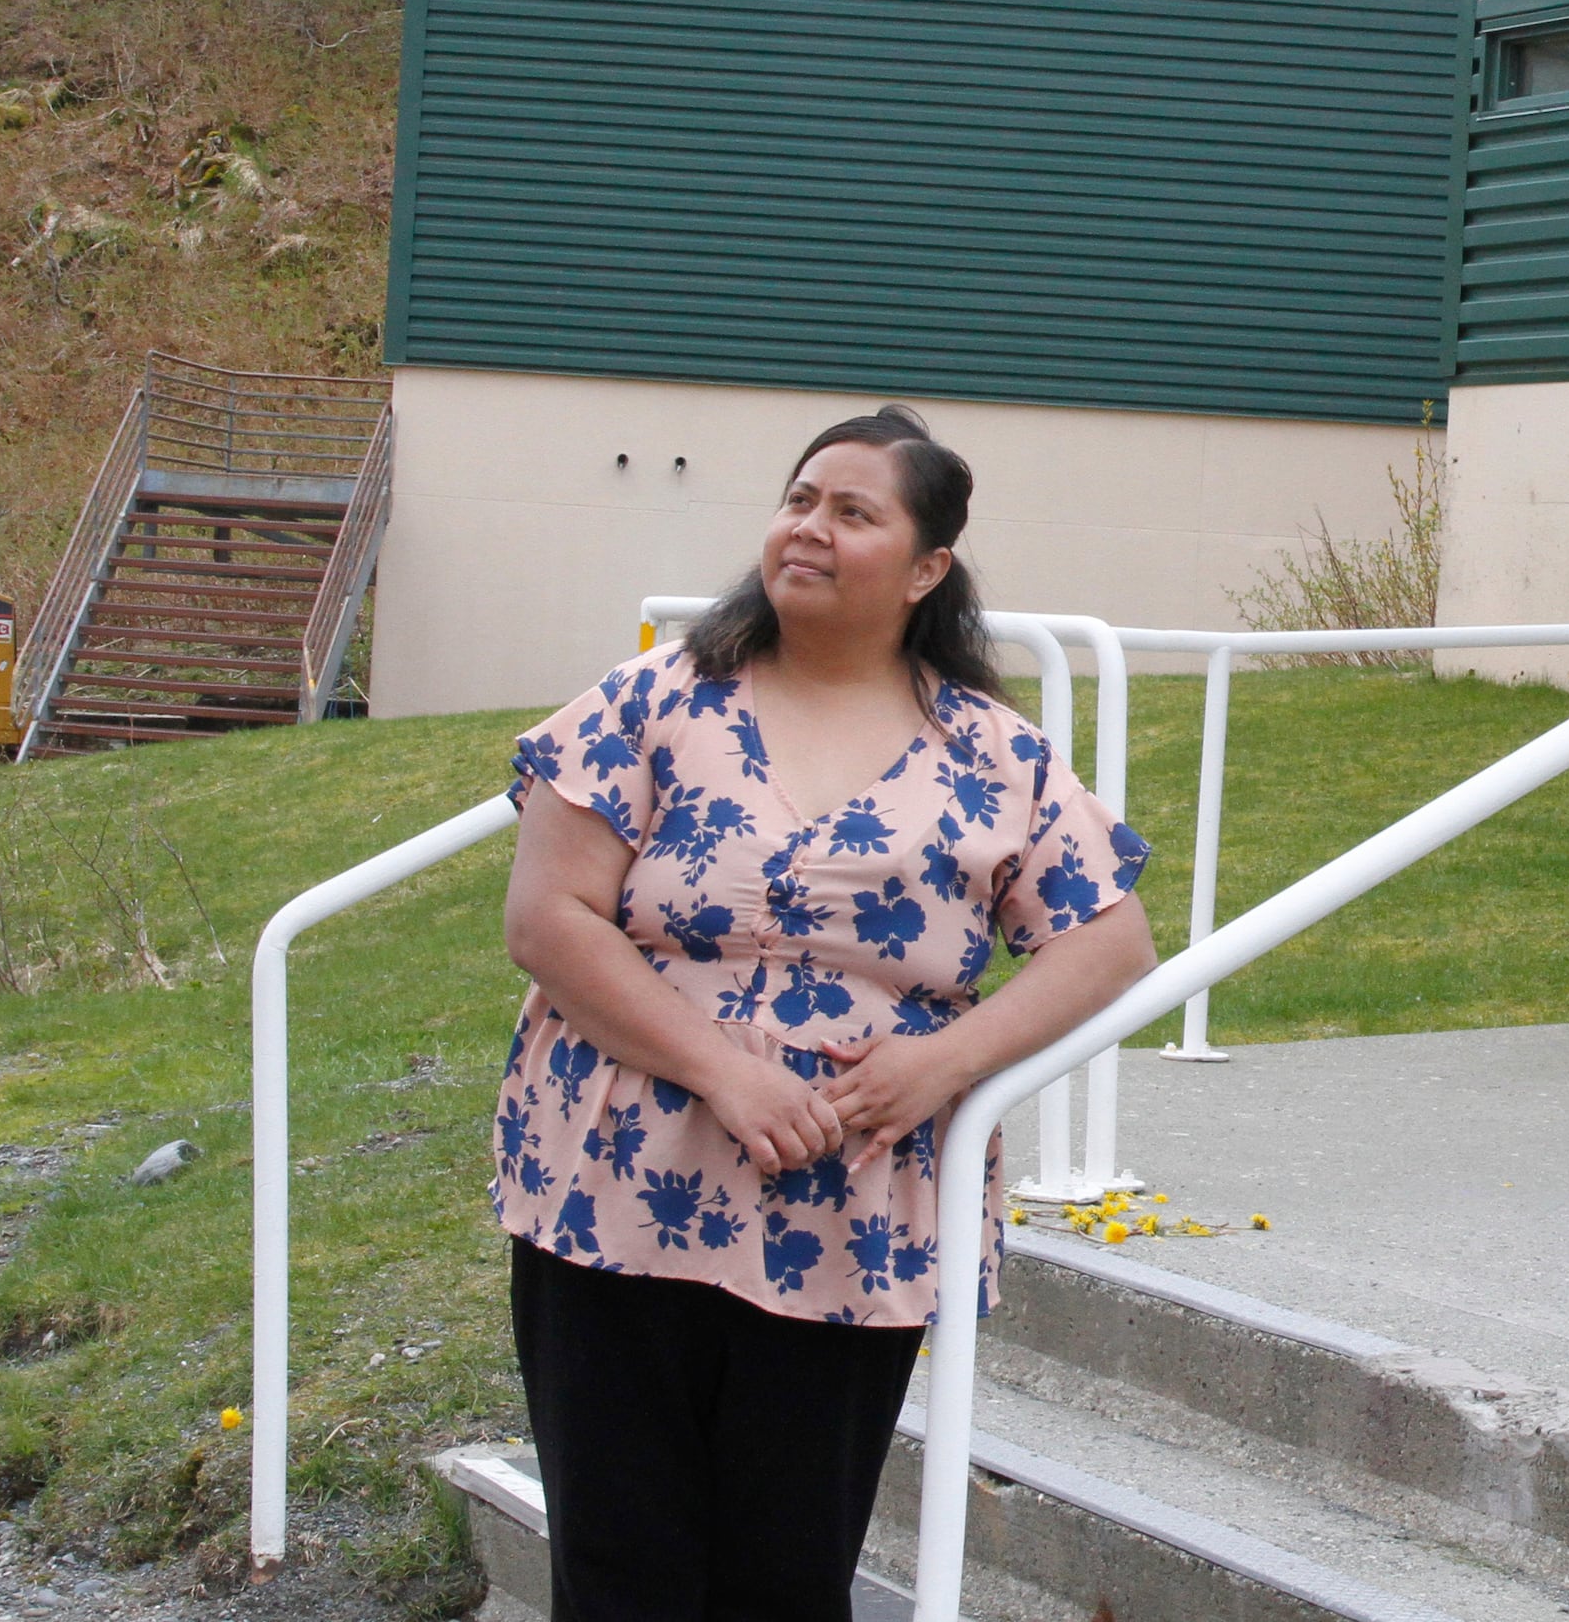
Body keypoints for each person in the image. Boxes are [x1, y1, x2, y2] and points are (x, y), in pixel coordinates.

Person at [492, 407, 1158, 1620]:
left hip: (850, 1214)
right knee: (620, 1566)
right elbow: (548, 922)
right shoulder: (652, 702)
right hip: (617, 1182)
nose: (810, 528)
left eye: (854, 513)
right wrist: (725, 1071)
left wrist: (946, 1064)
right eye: (801, 501)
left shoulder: (995, 759)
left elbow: (1110, 939)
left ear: (925, 569)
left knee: (787, 1580)